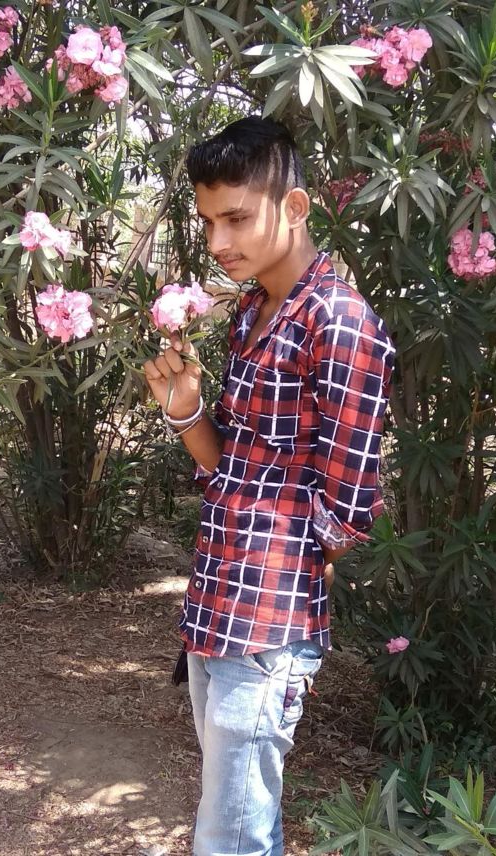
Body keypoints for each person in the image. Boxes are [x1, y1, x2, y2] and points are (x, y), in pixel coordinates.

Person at [143, 116, 395, 856]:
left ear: (294, 207)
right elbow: (231, 465)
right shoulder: (252, 313)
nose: (217, 242)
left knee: (232, 836)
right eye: (207, 222)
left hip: (267, 626)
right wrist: (185, 408)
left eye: (235, 218)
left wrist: (291, 572)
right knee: (240, 826)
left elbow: (349, 513)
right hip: (215, 605)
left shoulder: (339, 324)